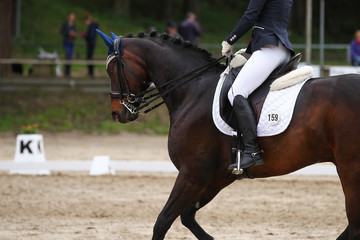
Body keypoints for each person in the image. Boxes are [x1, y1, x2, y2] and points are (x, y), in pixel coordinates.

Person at [221, 0, 294, 171]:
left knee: (236, 92)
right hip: (279, 48)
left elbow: (250, 16)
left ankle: (252, 151)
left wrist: (230, 40)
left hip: (269, 47)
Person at [60, 12, 77, 78]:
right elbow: (61, 31)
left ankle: (68, 72)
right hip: (66, 42)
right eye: (72, 16)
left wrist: (74, 34)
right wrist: (68, 33)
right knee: (67, 56)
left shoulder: (74, 25)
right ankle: (66, 72)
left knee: (70, 57)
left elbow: (75, 33)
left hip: (72, 43)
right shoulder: (65, 24)